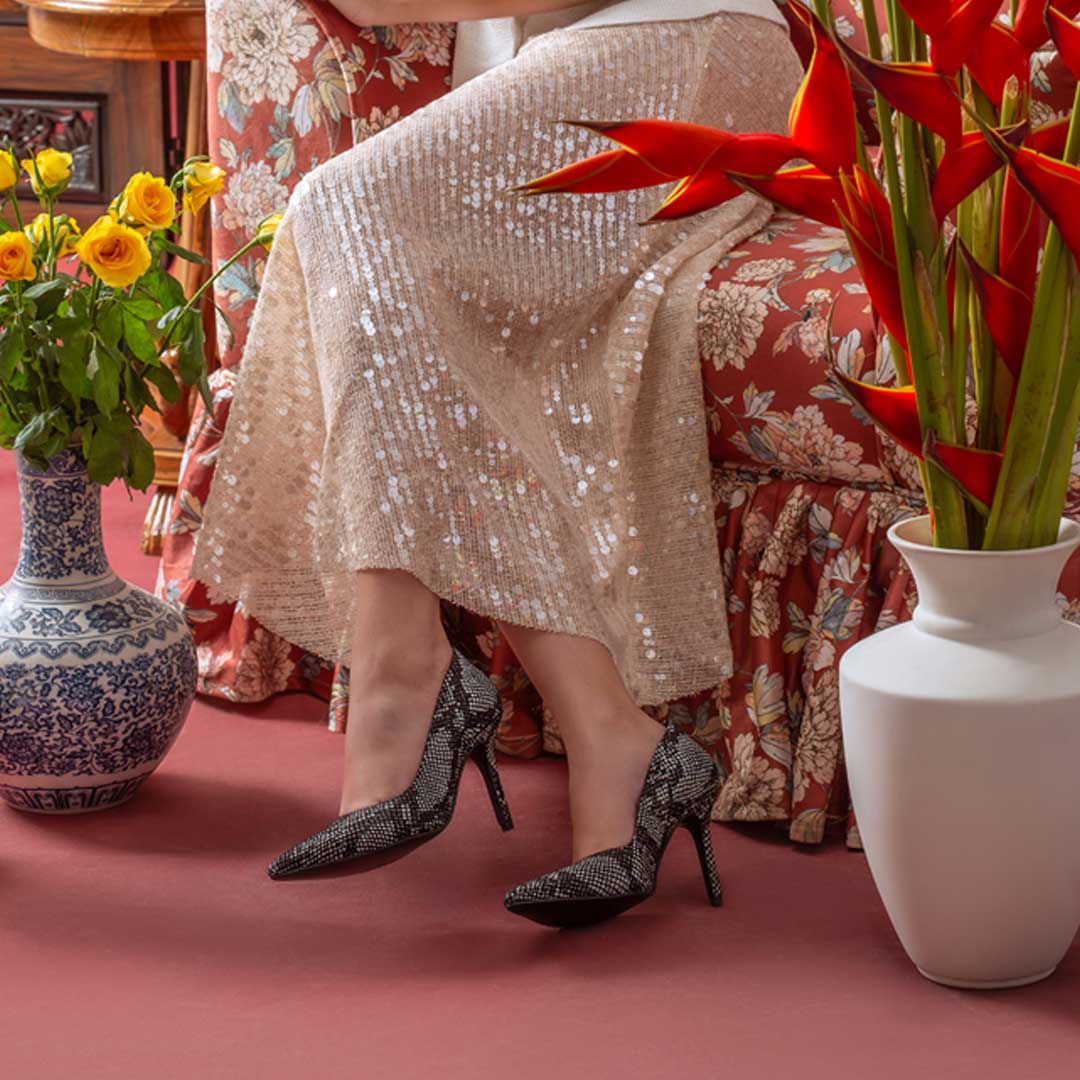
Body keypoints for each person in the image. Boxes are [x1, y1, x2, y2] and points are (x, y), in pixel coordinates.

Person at [191, 0, 803, 926]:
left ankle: (408, 673)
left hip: (690, 37)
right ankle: (612, 738)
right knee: (397, 286)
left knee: (341, 203)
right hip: (558, 57)